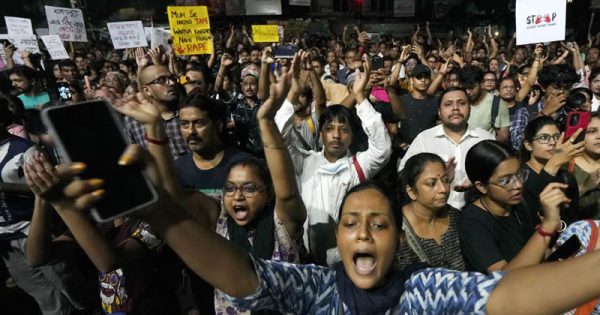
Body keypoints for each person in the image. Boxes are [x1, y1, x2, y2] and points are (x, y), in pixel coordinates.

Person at [40, 154, 600, 315]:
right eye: (351, 222)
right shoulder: (315, 289)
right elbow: (239, 274)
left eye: (378, 224)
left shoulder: (426, 290)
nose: (363, 232)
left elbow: (510, 298)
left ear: (395, 242)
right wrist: (161, 214)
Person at [114, 67, 307, 314]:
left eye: (249, 188)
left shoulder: (281, 225)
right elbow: (174, 201)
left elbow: (287, 192)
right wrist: (154, 128)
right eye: (229, 189)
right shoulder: (220, 221)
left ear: (268, 193)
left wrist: (266, 120)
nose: (237, 196)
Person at [274, 54, 392, 265]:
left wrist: (360, 97)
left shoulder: (357, 166)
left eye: (343, 130)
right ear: (320, 135)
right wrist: (293, 93)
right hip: (307, 259)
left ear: (352, 136)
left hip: (347, 261)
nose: (336, 135)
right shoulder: (305, 161)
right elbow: (280, 137)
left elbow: (382, 147)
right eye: (329, 129)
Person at [460, 140, 566, 273]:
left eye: (519, 174)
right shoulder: (472, 223)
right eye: (505, 181)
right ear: (482, 187)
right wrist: (547, 226)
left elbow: (532, 252)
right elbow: (503, 278)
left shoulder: (519, 204)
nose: (518, 185)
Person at [399, 87, 495, 209]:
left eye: (462, 103)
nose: (455, 108)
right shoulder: (425, 139)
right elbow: (404, 175)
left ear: (470, 109)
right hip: (437, 213)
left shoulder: (486, 139)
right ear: (439, 112)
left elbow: (499, 175)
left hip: (479, 210)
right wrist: (438, 177)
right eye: (448, 104)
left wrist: (480, 181)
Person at [174, 90, 251, 201]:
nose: (191, 131)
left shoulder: (244, 164)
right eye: (184, 124)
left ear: (218, 126)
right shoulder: (177, 169)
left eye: (199, 123)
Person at [397, 153, 465, 271]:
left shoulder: (456, 217)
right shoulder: (396, 228)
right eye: (431, 184)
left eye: (445, 180)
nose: (443, 189)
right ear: (411, 191)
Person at [520, 117, 582, 224]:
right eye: (544, 137)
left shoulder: (566, 177)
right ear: (528, 145)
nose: (553, 142)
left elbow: (572, 219)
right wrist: (554, 163)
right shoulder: (518, 175)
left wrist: (560, 227)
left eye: (557, 137)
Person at [123, 64, 188, 159]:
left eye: (172, 78)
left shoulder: (188, 111)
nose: (171, 83)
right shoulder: (133, 121)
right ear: (147, 90)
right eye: (162, 80)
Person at [459, 66, 510, 143]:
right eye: (464, 88)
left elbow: (503, 136)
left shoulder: (497, 104)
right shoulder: (459, 101)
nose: (467, 92)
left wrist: (481, 145)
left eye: (471, 88)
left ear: (482, 84)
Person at [569, 112, 600, 218]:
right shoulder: (566, 167)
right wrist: (585, 187)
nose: (599, 136)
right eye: (592, 131)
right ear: (580, 135)